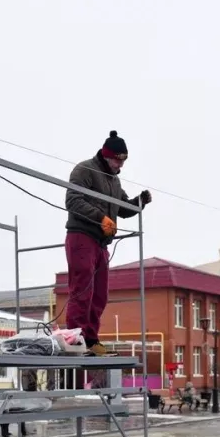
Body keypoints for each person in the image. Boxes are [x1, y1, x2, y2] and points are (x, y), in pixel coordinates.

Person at [64, 131, 152, 356]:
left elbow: (122, 208)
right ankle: (75, 338)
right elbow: (72, 200)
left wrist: (138, 203)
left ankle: (91, 339)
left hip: (101, 243)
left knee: (99, 294)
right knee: (82, 288)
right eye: (117, 160)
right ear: (106, 155)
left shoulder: (114, 179)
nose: (120, 165)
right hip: (82, 237)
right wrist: (99, 218)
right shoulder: (85, 170)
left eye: (123, 161)